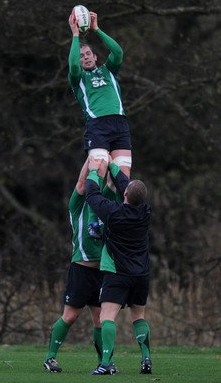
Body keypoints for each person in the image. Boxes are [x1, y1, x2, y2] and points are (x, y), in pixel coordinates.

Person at [43, 158, 117, 374]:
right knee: (71, 315)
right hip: (81, 269)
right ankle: (50, 357)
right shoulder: (79, 204)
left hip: (102, 270)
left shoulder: (105, 201)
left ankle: (105, 362)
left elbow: (114, 184)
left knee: (101, 320)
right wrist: (92, 157)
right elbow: (81, 182)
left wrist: (113, 162)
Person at [85, 157, 152, 375]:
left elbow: (92, 195)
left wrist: (94, 171)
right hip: (141, 274)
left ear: (124, 195)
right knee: (138, 317)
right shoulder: (145, 212)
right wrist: (114, 165)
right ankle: (146, 359)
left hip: (118, 273)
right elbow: (126, 186)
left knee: (106, 317)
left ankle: (106, 363)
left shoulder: (113, 214)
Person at [68, 10, 132, 238]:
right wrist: (75, 35)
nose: (84, 57)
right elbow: (73, 68)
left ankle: (118, 220)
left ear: (95, 57)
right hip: (97, 126)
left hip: (120, 125)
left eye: (88, 53)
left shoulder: (109, 71)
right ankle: (94, 222)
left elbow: (118, 52)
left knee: (121, 179)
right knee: (100, 169)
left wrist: (96, 29)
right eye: (81, 55)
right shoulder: (78, 80)